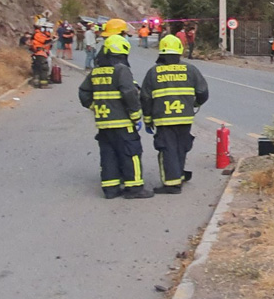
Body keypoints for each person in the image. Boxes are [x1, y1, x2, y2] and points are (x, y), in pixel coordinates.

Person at [77, 18, 153, 199]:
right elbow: (129, 93)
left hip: (103, 123)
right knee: (131, 152)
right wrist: (135, 115)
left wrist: (96, 107)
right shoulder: (121, 70)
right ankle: (134, 188)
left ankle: (110, 189)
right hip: (122, 122)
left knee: (108, 154)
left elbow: (84, 93)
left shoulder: (96, 71)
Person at [140, 34, 209, 194]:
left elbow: (145, 98)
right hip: (185, 118)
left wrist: (148, 120)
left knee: (167, 149)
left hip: (163, 119)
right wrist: (195, 104)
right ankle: (178, 175)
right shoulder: (190, 70)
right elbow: (203, 93)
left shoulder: (153, 72)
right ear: (179, 50)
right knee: (180, 147)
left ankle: (171, 184)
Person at [27, 23, 53, 88]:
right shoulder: (38, 34)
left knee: (37, 69)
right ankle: (43, 84)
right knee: (43, 69)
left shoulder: (40, 34)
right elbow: (45, 41)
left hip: (39, 54)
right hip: (40, 54)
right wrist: (51, 39)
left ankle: (36, 83)